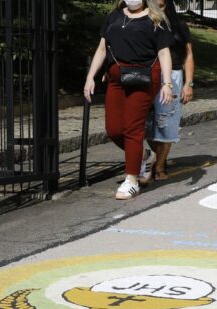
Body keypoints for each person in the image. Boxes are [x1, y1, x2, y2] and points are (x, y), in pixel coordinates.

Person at [84, 0, 174, 200]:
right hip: (117, 77)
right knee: (114, 129)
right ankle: (142, 156)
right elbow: (102, 49)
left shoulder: (155, 18)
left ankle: (132, 180)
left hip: (144, 77)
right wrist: (91, 77)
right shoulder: (114, 16)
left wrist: (167, 83)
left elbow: (163, 52)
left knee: (133, 127)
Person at [141, 0, 194, 185]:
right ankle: (154, 156)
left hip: (174, 77)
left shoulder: (179, 25)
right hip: (149, 75)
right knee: (148, 124)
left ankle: (160, 166)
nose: (158, 9)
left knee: (167, 122)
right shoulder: (145, 23)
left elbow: (188, 56)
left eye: (162, 5)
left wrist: (189, 84)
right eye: (154, 5)